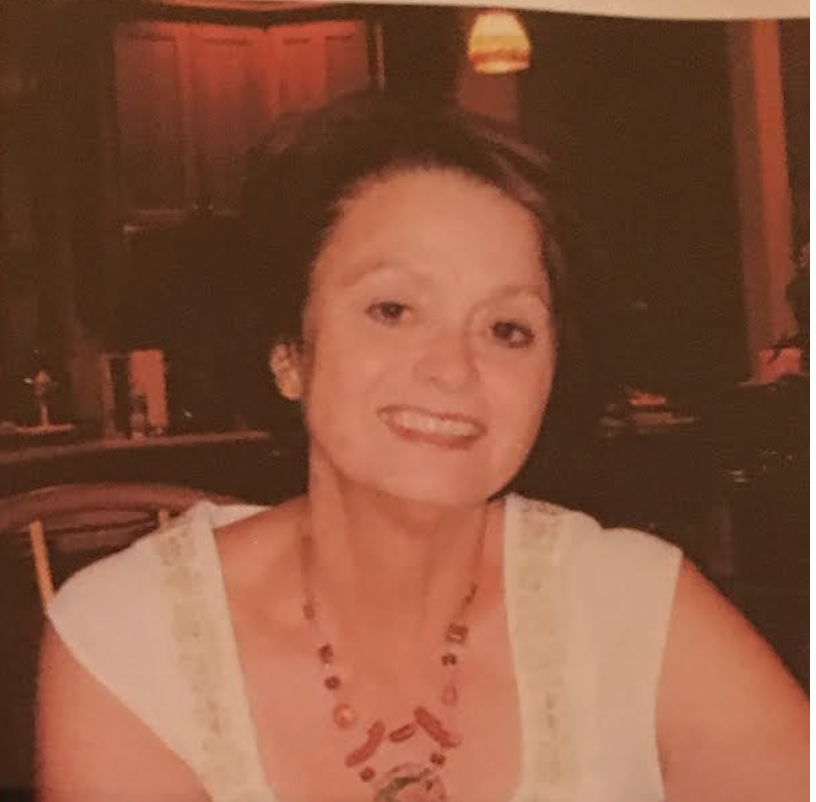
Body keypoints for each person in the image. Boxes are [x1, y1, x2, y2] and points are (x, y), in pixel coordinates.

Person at [35, 94, 807, 802]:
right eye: (393, 309)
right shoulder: (134, 640)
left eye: (507, 328)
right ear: (289, 352)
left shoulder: (636, 608)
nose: (453, 368)